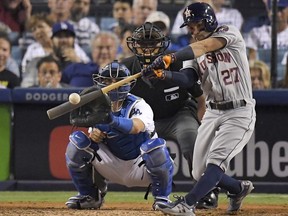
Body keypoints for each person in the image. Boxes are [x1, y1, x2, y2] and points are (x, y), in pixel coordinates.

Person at [142, 2, 256, 215]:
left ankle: (188, 204)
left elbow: (204, 47)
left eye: (195, 25)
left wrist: (170, 57)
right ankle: (238, 188)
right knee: (199, 171)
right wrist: (163, 75)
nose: (192, 31)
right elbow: (187, 79)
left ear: (209, 20)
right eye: (190, 27)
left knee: (214, 162)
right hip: (213, 111)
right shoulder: (193, 50)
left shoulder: (228, 32)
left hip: (239, 109)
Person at [122, 22, 219, 209]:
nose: (148, 48)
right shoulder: (125, 68)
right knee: (115, 142)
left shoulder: (177, 63)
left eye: (152, 44)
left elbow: (201, 98)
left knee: (193, 141)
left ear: (161, 44)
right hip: (144, 121)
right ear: (134, 44)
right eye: (143, 43)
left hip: (179, 114)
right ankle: (94, 192)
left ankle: (207, 191)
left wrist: (204, 125)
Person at [65, 60, 174, 210]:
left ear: (128, 83)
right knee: (77, 142)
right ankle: (90, 196)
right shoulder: (96, 105)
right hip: (112, 166)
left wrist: (112, 120)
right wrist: (95, 135)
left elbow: (137, 126)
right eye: (108, 80)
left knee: (156, 147)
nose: (113, 84)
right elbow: (93, 140)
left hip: (140, 167)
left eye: (118, 80)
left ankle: (162, 198)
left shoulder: (138, 104)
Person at [245, 0, 288, 80]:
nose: (277, 14)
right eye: (274, 10)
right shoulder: (256, 33)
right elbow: (252, 62)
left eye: (281, 9)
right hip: (262, 81)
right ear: (268, 11)